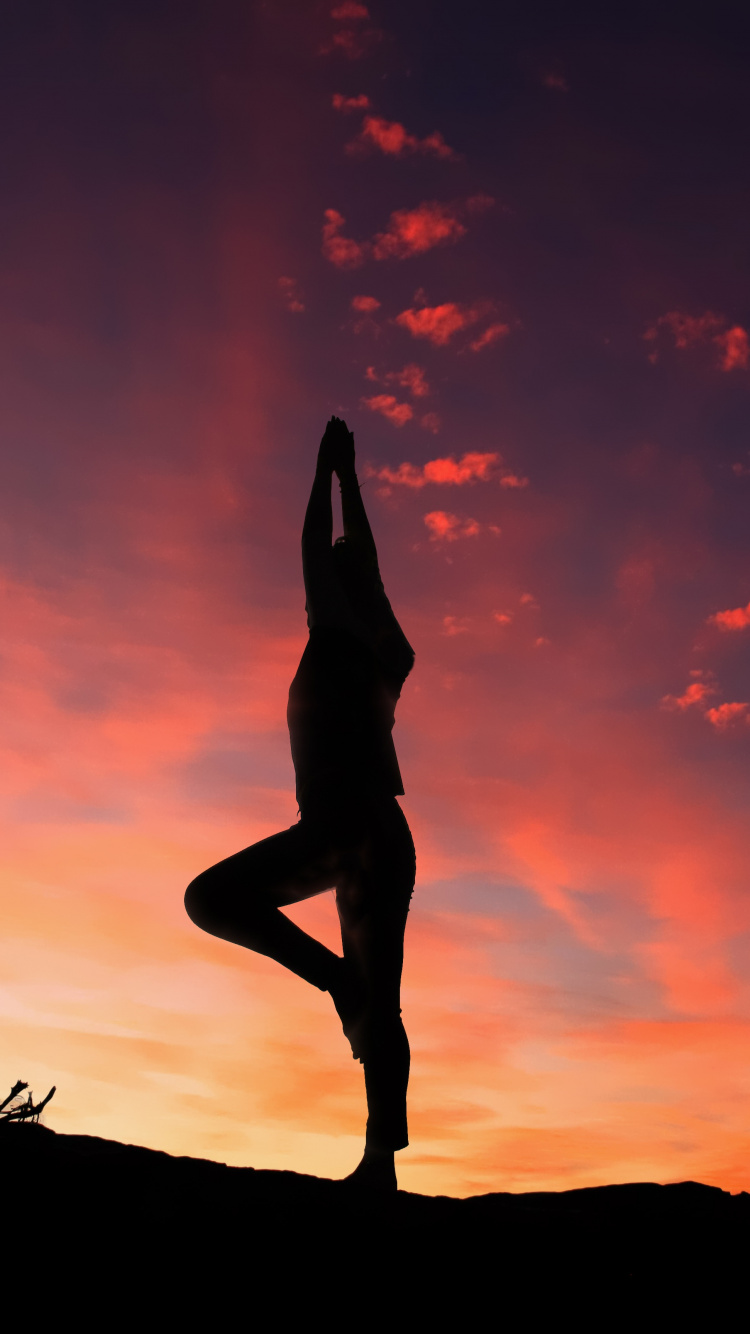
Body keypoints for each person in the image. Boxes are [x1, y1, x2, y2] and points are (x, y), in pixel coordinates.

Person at [185, 416, 416, 1191]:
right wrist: (351, 483)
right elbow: (366, 567)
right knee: (382, 998)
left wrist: (329, 476)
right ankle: (380, 1164)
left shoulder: (344, 632)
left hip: (346, 826)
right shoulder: (389, 652)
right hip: (382, 832)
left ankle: (337, 984)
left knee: (211, 897)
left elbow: (327, 552)